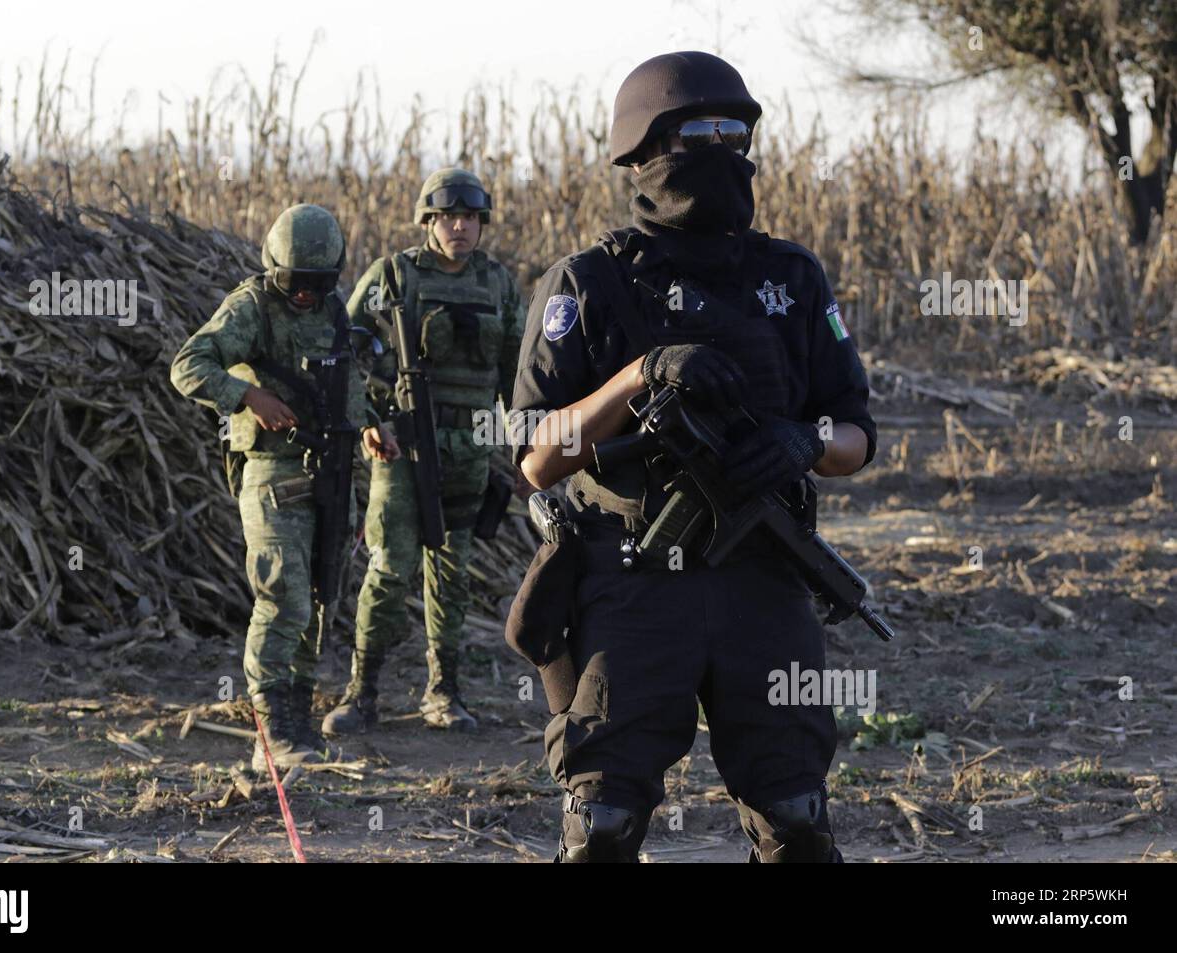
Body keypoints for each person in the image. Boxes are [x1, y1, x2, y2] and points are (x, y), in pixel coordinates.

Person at [511, 51, 878, 862]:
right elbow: (538, 458)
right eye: (696, 133)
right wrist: (639, 375)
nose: (721, 148)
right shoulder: (586, 285)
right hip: (632, 582)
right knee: (601, 824)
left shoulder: (790, 276)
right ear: (642, 149)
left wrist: (804, 440)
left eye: (733, 132)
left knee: (796, 815)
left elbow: (855, 434)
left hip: (763, 573)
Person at [321, 168, 524, 734]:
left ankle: (444, 691)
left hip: (470, 451)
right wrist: (367, 421)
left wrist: (524, 448)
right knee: (389, 569)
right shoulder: (394, 276)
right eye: (447, 218)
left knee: (453, 574)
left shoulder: (499, 285)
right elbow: (344, 353)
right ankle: (361, 693)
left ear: (481, 224)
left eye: (469, 218)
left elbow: (517, 374)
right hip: (404, 446)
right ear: (429, 222)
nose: (459, 227)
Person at [170, 203, 367, 772]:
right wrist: (248, 396)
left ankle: (298, 724)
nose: (304, 296)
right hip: (274, 474)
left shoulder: (333, 310)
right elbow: (189, 365)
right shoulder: (252, 306)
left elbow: (346, 387)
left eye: (316, 285)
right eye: (294, 285)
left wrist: (375, 426)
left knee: (319, 600)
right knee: (283, 594)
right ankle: (271, 729)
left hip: (331, 471)